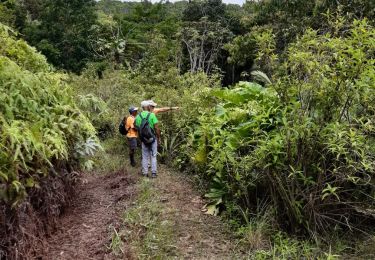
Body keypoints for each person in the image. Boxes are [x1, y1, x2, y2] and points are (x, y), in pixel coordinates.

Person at [135, 100, 160, 178]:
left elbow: (136, 127)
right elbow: (156, 128)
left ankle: (145, 173)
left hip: (143, 140)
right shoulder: (152, 115)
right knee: (153, 155)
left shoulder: (138, 116)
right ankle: (153, 173)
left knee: (145, 156)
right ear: (148, 106)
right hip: (152, 138)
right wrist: (158, 138)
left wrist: (141, 138)